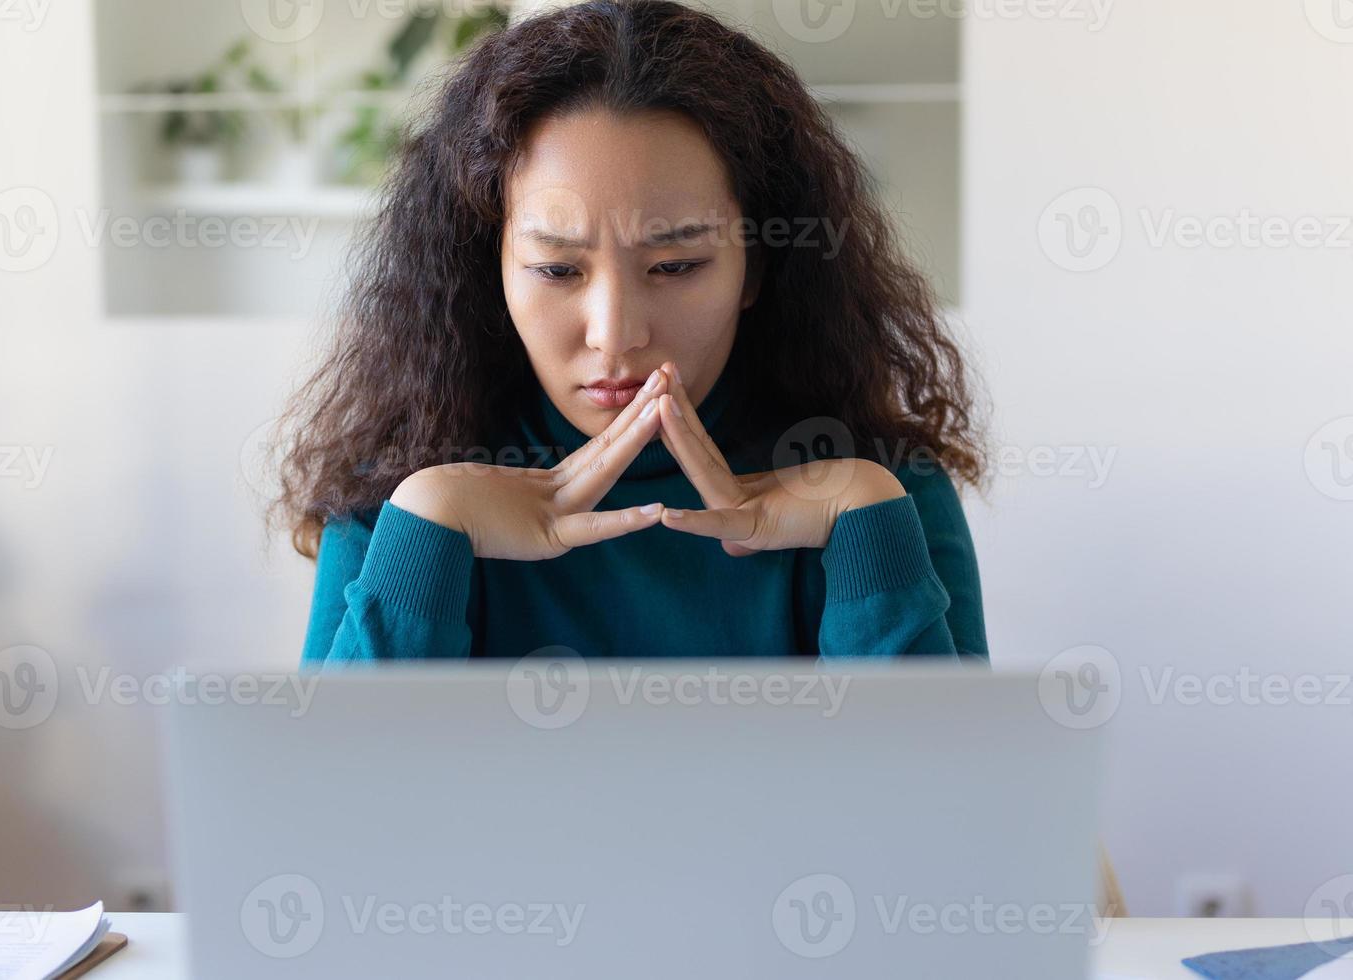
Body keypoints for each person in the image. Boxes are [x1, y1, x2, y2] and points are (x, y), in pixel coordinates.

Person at [273, 0, 991, 664]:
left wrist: (865, 523)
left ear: (757, 269)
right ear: (485, 269)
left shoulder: (881, 496)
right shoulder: (398, 508)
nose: (615, 337)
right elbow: (333, 795)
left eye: (675, 265)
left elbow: (951, 795)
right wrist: (430, 525)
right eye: (556, 270)